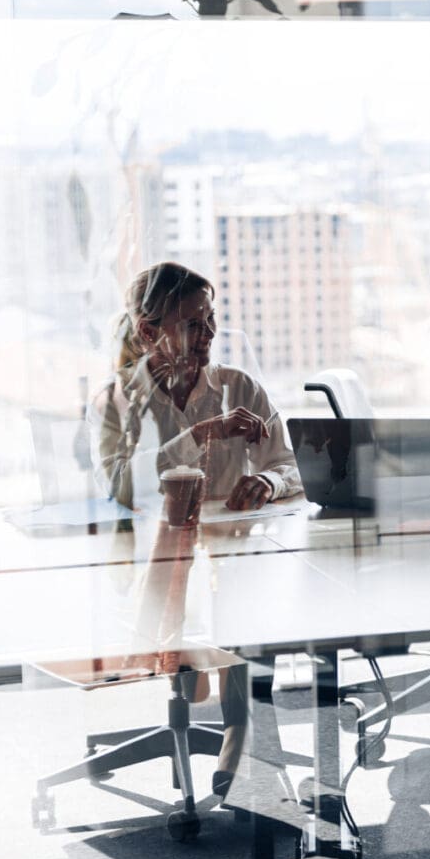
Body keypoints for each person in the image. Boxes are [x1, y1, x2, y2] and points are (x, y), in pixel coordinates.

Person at [92, 261, 302, 796]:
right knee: (232, 591)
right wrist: (201, 434)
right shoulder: (119, 402)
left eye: (211, 321)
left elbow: (291, 464)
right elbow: (121, 485)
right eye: (192, 324)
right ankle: (240, 721)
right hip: (153, 558)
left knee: (249, 582)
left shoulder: (239, 387)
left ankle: (241, 721)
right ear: (148, 332)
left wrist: (268, 484)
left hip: (232, 552)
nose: (208, 336)